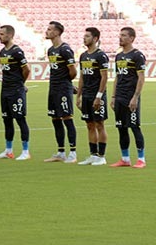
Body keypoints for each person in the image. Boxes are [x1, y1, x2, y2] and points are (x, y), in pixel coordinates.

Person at [0, 25, 31, 160]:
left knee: (20, 119)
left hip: (16, 90)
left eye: (2, 34)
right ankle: (8, 150)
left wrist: (21, 83)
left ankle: (26, 151)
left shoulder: (17, 51)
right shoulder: (2, 52)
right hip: (5, 90)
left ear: (9, 35)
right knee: (7, 120)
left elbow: (26, 69)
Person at [110, 27, 147, 168]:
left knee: (134, 127)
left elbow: (141, 78)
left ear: (132, 38)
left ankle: (141, 159)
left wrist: (135, 97)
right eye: (120, 35)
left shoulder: (137, 55)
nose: (120, 38)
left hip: (130, 97)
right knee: (121, 128)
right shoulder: (119, 56)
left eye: (124, 35)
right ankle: (125, 158)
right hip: (119, 97)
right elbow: (117, 77)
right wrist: (113, 96)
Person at [43, 21, 78, 163]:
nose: (47, 31)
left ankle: (73, 152)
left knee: (67, 118)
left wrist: (67, 84)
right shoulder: (51, 50)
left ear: (57, 32)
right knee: (55, 119)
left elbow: (73, 71)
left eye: (50, 29)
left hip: (63, 88)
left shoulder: (65, 49)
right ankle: (61, 152)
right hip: (53, 88)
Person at [76, 27, 109, 166]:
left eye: (88, 36)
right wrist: (79, 96)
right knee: (89, 125)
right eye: (84, 36)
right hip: (87, 95)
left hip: (97, 95)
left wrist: (99, 96)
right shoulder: (83, 56)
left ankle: (102, 156)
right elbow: (82, 76)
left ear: (95, 39)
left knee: (99, 124)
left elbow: (104, 77)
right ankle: (93, 155)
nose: (85, 38)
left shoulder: (101, 56)